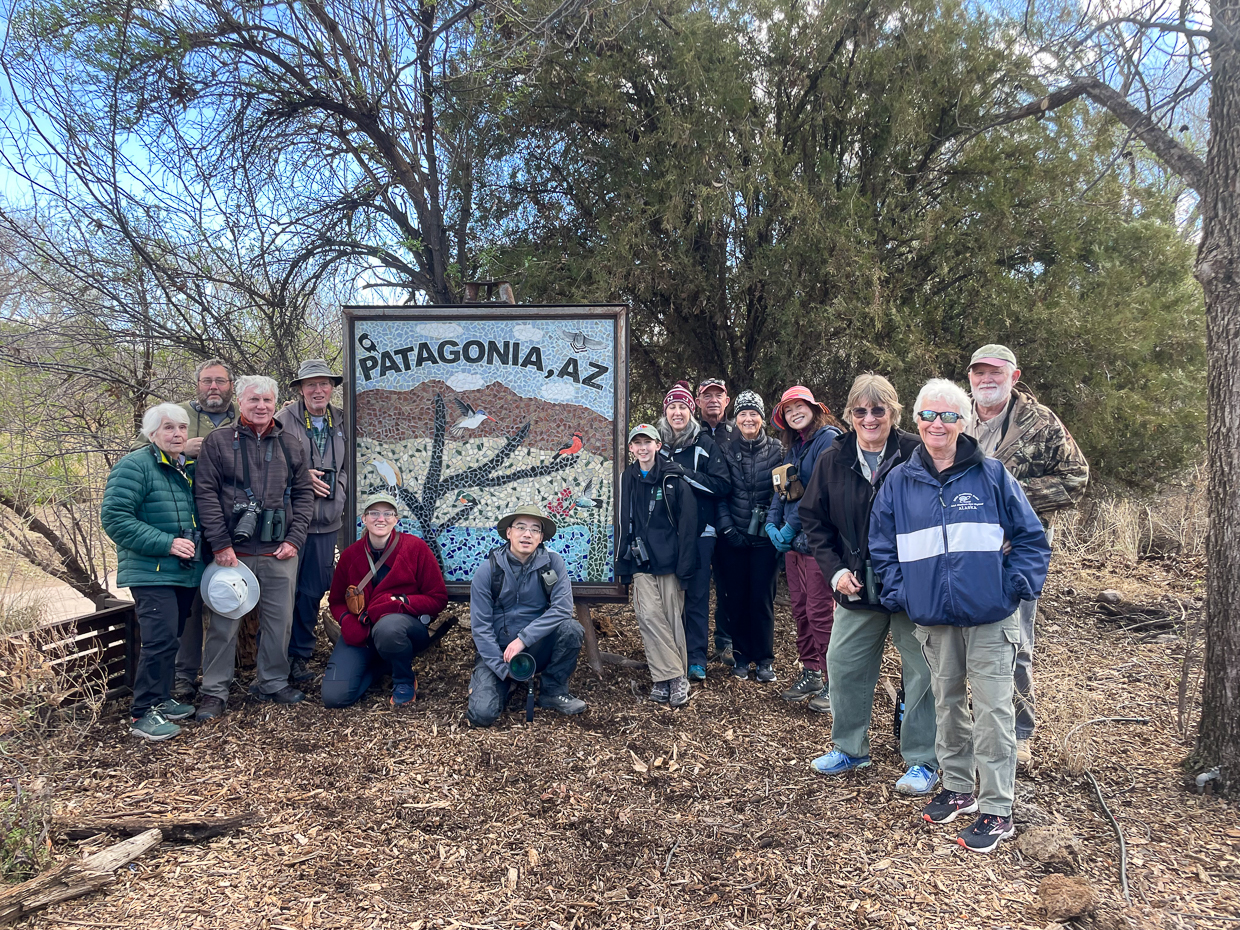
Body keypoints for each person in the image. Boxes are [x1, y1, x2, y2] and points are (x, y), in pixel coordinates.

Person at [869, 378, 1051, 853]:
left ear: (964, 423)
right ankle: (957, 787)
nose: (937, 424)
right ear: (917, 420)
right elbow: (882, 547)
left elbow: (1031, 539)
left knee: (993, 710)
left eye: (949, 416)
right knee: (946, 703)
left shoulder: (992, 475)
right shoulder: (899, 482)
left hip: (990, 615)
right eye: (929, 415)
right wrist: (903, 595)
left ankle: (997, 809)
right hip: (933, 616)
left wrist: (1014, 587)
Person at [799, 374, 938, 793]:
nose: (869, 418)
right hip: (857, 585)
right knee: (843, 664)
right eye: (860, 410)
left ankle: (923, 759)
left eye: (878, 410)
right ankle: (850, 748)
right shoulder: (834, 457)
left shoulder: (918, 452)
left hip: (913, 588)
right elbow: (813, 520)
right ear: (849, 415)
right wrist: (836, 572)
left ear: (893, 412)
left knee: (923, 673)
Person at [965, 344, 1089, 766]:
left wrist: (1011, 496)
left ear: (1013, 377)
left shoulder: (1040, 422)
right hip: (964, 549)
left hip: (1016, 550)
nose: (986, 379)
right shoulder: (956, 417)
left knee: (1014, 640)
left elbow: (1076, 478)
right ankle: (971, 725)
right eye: (979, 372)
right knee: (959, 641)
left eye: (995, 372)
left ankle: (1019, 732)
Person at [193, 374, 316, 720]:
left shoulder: (290, 443)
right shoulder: (219, 442)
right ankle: (214, 690)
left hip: (280, 550)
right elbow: (205, 494)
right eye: (253, 400)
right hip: (233, 552)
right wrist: (220, 544)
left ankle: (272, 681)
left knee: (280, 621)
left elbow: (304, 494)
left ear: (275, 404)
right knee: (224, 623)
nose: (261, 407)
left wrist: (294, 538)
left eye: (267, 401)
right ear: (240, 403)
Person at [101, 403, 204, 740]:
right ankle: (142, 712)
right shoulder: (135, 466)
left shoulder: (184, 467)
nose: (177, 434)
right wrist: (167, 543)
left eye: (182, 428)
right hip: (151, 570)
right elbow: (115, 518)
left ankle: (160, 699)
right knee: (159, 639)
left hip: (182, 571)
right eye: (168, 428)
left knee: (170, 638)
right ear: (151, 433)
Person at [323, 492, 448, 708]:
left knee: (388, 628)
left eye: (387, 513)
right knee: (334, 697)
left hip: (404, 629)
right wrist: (346, 620)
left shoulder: (415, 548)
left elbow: (437, 598)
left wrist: (400, 601)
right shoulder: (350, 555)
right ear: (364, 519)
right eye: (374, 513)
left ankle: (404, 679)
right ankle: (382, 665)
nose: (381, 519)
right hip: (362, 631)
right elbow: (336, 601)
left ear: (396, 519)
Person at [467, 505, 587, 725]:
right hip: (498, 651)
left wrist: (523, 639)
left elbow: (562, 608)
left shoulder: (553, 564)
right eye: (520, 527)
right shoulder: (488, 570)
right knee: (482, 715)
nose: (527, 534)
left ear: (541, 537)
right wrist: (502, 669)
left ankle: (553, 691)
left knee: (571, 629)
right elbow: (481, 627)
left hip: (536, 647)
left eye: (534, 529)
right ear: (509, 532)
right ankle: (505, 683)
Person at [766, 386, 842, 709]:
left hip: (817, 543)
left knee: (820, 612)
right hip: (794, 547)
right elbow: (781, 489)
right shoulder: (794, 448)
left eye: (800, 406)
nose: (795, 412)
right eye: (788, 409)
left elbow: (816, 491)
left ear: (814, 408)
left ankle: (835, 680)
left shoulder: (828, 440)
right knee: (800, 610)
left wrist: (789, 525)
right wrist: (772, 523)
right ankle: (811, 671)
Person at [169, 359, 239, 703]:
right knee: (188, 607)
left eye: (220, 381)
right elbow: (139, 453)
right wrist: (181, 450)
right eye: (207, 381)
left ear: (231, 386)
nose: (214, 387)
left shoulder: (244, 416)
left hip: (232, 528)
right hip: (186, 526)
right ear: (197, 384)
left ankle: (218, 682)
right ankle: (183, 678)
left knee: (226, 603)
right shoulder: (176, 415)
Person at [276, 359, 349, 685]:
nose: (318, 390)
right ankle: (275, 659)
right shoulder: (282, 420)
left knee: (311, 591)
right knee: (283, 591)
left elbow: (350, 465)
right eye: (311, 385)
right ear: (300, 390)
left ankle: (299, 656)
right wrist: (301, 477)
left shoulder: (343, 419)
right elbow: (265, 464)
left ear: (332, 388)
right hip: (292, 522)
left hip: (328, 522)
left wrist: (340, 489)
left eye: (324, 384)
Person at [616, 424, 699, 707]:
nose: (643, 448)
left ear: (658, 445)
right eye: (637, 443)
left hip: (670, 560)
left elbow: (688, 525)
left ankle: (666, 681)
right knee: (649, 616)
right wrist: (622, 562)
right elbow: (623, 521)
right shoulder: (627, 477)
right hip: (640, 560)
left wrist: (685, 566)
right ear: (631, 448)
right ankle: (675, 676)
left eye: (647, 442)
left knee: (672, 620)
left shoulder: (673, 478)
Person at [657, 381, 731, 681]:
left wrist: (686, 474)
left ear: (691, 410)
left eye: (683, 407)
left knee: (697, 595)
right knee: (667, 598)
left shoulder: (704, 443)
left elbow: (721, 485)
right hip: (665, 535)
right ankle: (671, 656)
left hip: (701, 532)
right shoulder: (656, 444)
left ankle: (696, 658)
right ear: (665, 411)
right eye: (672, 407)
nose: (677, 412)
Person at [713, 390, 782, 682]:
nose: (748, 419)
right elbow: (720, 493)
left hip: (766, 539)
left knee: (762, 599)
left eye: (753, 413)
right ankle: (741, 657)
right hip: (735, 537)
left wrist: (773, 526)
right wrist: (728, 528)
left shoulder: (778, 450)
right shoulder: (726, 450)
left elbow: (783, 492)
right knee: (737, 598)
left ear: (762, 418)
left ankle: (764, 659)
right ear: (736, 418)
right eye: (743, 414)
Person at [696, 378, 737, 665]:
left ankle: (725, 641)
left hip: (730, 521)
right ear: (698, 402)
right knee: (695, 587)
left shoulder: (737, 432)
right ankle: (692, 647)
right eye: (706, 395)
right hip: (696, 520)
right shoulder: (689, 432)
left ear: (727, 401)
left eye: (718, 395)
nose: (713, 400)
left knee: (728, 585)